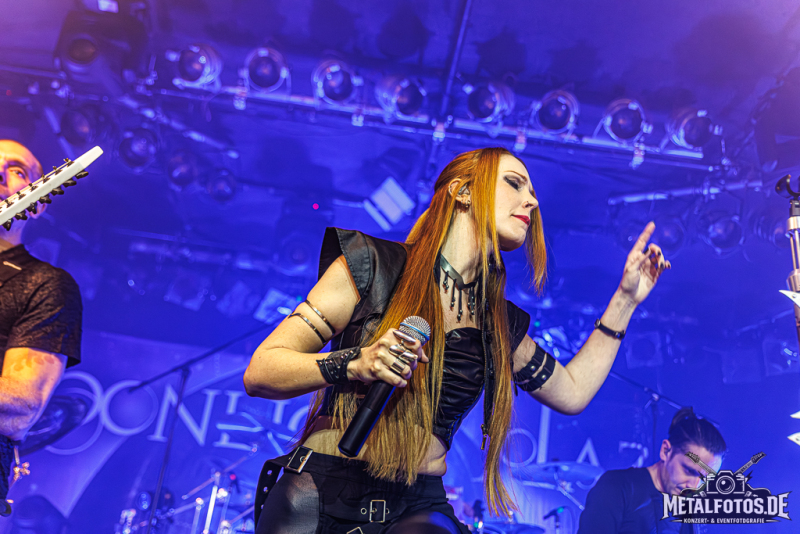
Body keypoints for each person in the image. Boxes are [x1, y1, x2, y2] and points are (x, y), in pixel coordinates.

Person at [244, 147, 671, 533]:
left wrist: (625, 301)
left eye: (532, 192)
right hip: (322, 490)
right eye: (515, 183)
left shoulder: (498, 323)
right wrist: (356, 362)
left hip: (417, 505)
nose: (532, 201)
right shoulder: (373, 265)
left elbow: (572, 392)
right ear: (462, 191)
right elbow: (261, 371)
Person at [0, 140, 83, 514]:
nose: (0, 174)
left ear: (38, 202)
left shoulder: (43, 284)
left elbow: (20, 407)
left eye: (16, 170)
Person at [577, 407, 727, 534]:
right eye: (688, 470)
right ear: (665, 451)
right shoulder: (616, 487)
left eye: (705, 479)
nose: (694, 486)